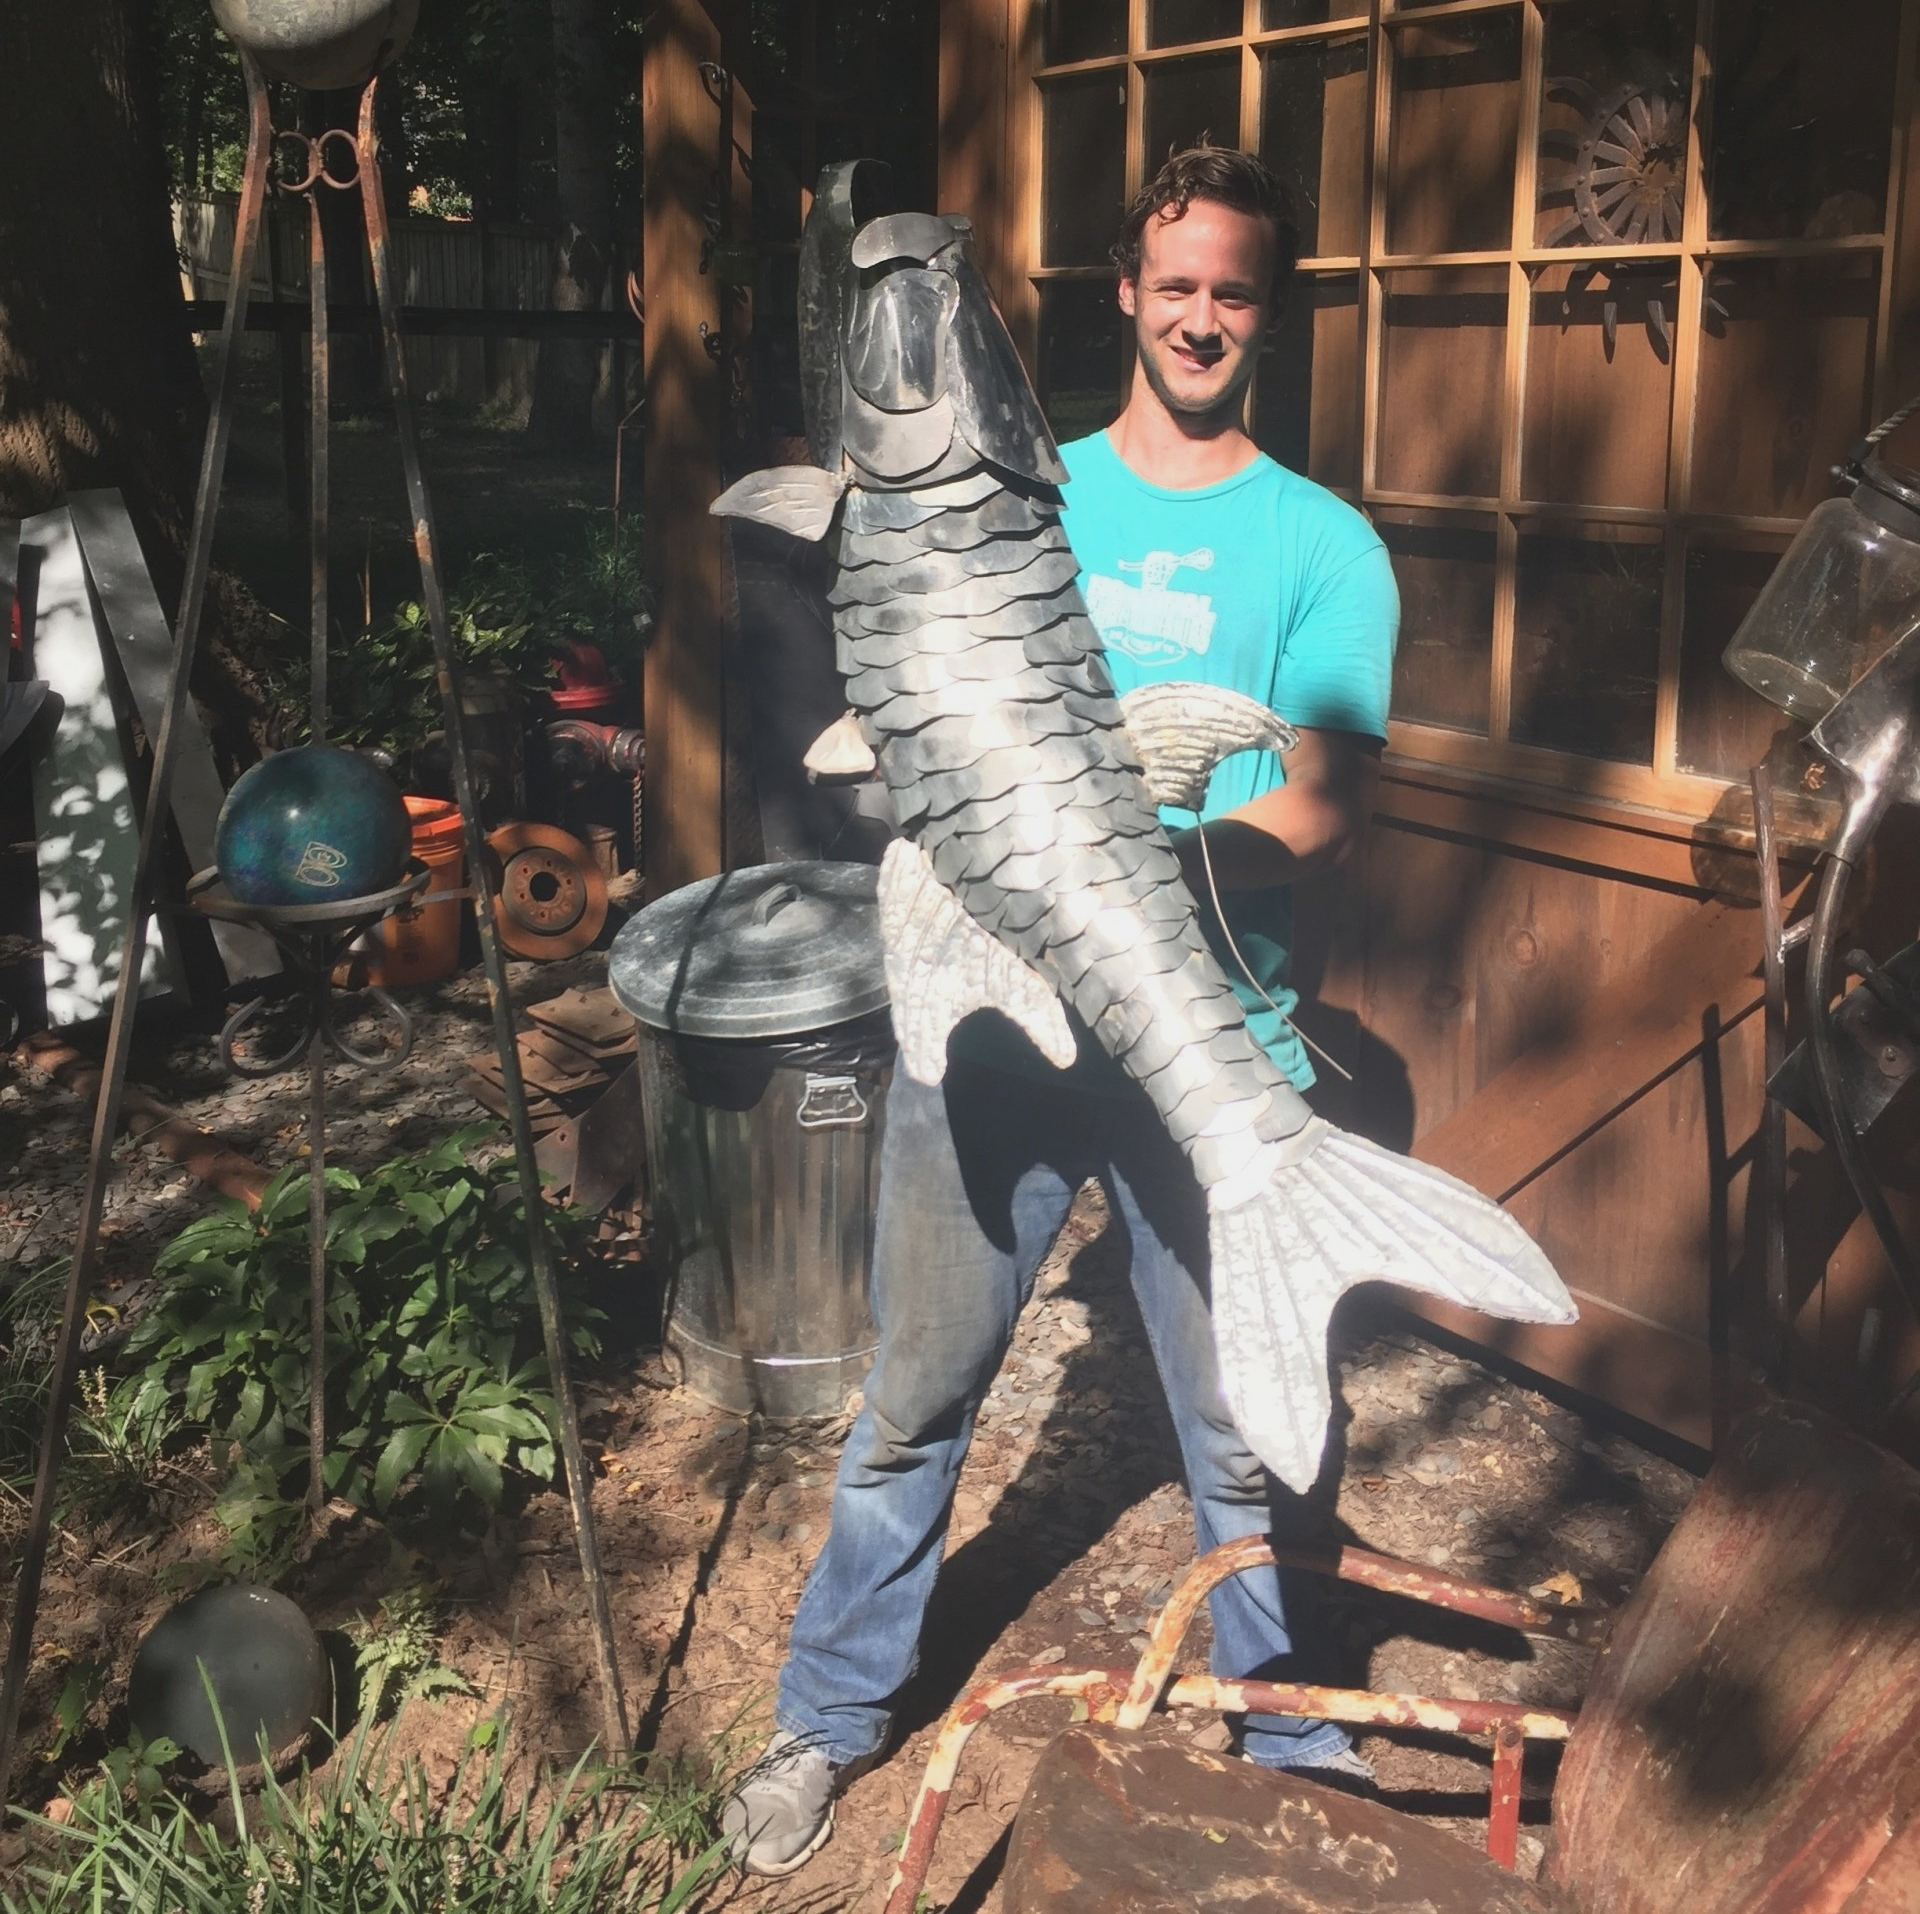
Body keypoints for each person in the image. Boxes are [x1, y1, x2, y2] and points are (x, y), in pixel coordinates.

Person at [722, 142, 1400, 1878]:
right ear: (1125, 294)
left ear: (1270, 306)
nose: (1200, 317)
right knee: (910, 1401)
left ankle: (1291, 1732)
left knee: (1248, 1435)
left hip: (1204, 1043)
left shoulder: (1324, 546)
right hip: (991, 1047)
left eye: (1234, 289)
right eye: (1173, 284)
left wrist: (1110, 855)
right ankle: (827, 1714)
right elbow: (897, 682)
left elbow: (1326, 803)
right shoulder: (1020, 492)